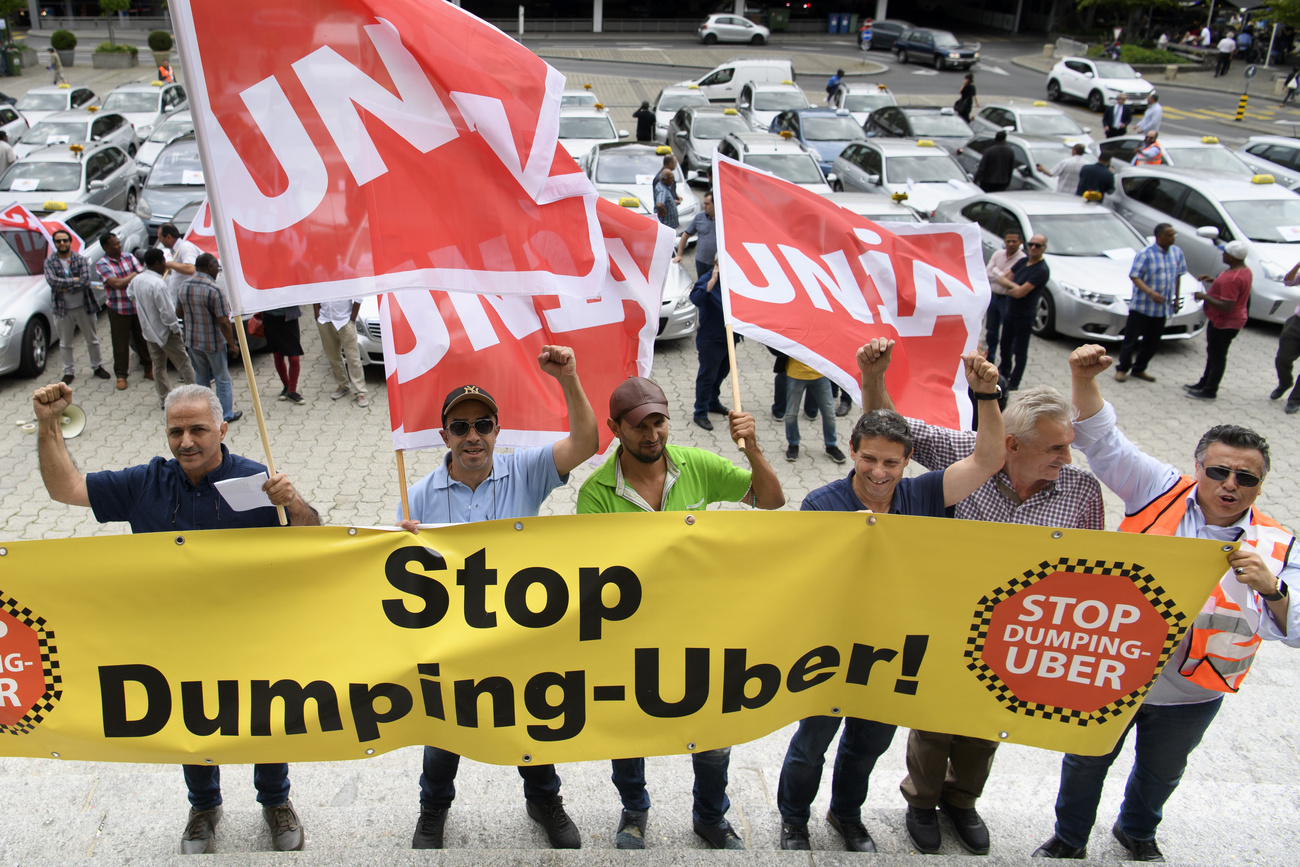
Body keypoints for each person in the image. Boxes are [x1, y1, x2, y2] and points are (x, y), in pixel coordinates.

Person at [1032, 344, 1299, 862]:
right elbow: (1103, 440)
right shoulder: (1158, 488)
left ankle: (1137, 831)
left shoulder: (1280, 545)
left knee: (1162, 770)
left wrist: (1274, 588)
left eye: (1246, 478)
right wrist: (1083, 378)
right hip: (1114, 668)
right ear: (1198, 466)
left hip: (1195, 689)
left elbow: (1294, 628)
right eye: (1220, 471)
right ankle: (1068, 839)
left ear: (1260, 485)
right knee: (1086, 759)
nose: (1230, 485)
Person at [32, 381, 320, 854]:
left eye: (199, 430)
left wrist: (291, 501)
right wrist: (48, 426)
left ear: (223, 429)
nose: (186, 441)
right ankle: (204, 807)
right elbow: (65, 488)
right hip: (177, 639)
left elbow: (313, 538)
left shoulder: (255, 478)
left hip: (251, 634)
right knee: (193, 721)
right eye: (176, 431)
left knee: (265, 718)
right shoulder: (145, 482)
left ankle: (276, 801)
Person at [858, 338, 1105, 856]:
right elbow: (890, 429)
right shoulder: (966, 454)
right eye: (1056, 447)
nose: (1068, 456)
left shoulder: (1082, 491)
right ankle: (921, 803)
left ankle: (963, 800)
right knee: (935, 720)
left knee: (987, 725)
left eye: (1068, 444)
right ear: (1011, 445)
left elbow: (1092, 569)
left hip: (1018, 631)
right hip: (949, 618)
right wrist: (874, 376)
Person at [778, 352, 1006, 856]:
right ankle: (794, 820)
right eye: (868, 458)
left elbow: (990, 459)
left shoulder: (927, 494)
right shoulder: (821, 503)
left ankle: (846, 815)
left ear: (907, 462)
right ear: (852, 450)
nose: (878, 472)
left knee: (867, 747)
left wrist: (985, 396)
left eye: (891, 462)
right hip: (831, 651)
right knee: (811, 744)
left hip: (893, 654)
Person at [399, 349, 598, 851]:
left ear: (496, 430)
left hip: (518, 634)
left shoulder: (526, 470)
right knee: (444, 731)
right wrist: (400, 544)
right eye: (460, 427)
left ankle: (545, 800)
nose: (472, 437)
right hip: (454, 641)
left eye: (483, 425)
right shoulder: (419, 495)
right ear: (444, 435)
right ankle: (433, 809)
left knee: (530, 723)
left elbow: (586, 442)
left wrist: (569, 379)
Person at [577, 376, 783, 850]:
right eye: (639, 427)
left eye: (659, 422)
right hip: (632, 637)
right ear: (614, 428)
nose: (652, 435)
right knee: (627, 732)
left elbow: (771, 500)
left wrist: (752, 449)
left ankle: (711, 817)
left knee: (713, 732)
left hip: (700, 632)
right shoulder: (594, 495)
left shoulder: (699, 465)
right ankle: (634, 811)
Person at [1115, 222, 1185, 384]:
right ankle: (1122, 369)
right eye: (1169, 235)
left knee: (1152, 342)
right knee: (1130, 340)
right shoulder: (1146, 254)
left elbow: (1178, 275)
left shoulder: (1177, 253)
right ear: (1159, 236)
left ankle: (1139, 368)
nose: (1173, 238)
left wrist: (1176, 298)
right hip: (1141, 306)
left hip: (1161, 309)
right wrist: (1150, 292)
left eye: (1174, 234)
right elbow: (1135, 276)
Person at [179, 253, 242, 423]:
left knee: (201, 377)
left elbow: (179, 312)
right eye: (216, 267)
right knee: (222, 378)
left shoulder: (184, 286)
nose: (217, 271)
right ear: (210, 267)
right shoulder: (214, 290)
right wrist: (232, 344)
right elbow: (223, 322)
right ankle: (225, 414)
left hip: (192, 341)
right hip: (213, 343)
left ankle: (203, 413)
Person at [129, 248, 196, 406]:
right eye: (164, 262)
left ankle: (164, 399)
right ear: (158, 263)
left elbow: (130, 295)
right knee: (184, 363)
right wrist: (176, 330)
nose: (166, 266)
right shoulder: (158, 284)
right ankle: (195, 397)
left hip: (149, 332)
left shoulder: (137, 280)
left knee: (158, 366)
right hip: (165, 332)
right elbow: (168, 313)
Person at [1187, 240, 1252, 401]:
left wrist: (1204, 297)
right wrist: (1214, 280)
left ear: (1233, 257)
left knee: (1217, 356)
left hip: (1225, 323)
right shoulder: (1243, 270)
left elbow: (1227, 306)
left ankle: (1210, 390)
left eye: (1226, 253)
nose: (1223, 255)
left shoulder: (1233, 278)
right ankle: (1204, 382)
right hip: (1224, 321)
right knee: (1213, 353)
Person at [44, 228, 111, 386]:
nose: (62, 243)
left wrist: (65, 285)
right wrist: (74, 281)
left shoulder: (80, 259)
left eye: (65, 240)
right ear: (55, 244)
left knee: (92, 339)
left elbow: (85, 281)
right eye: (58, 241)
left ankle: (97, 366)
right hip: (62, 310)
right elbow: (52, 282)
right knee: (65, 342)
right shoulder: (50, 262)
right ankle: (68, 371)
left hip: (84, 307)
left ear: (69, 242)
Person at [94, 233, 154, 390]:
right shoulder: (102, 264)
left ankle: (148, 368)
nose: (118, 246)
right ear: (106, 247)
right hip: (118, 309)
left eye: (119, 243)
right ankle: (121, 375)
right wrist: (133, 275)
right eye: (114, 244)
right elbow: (116, 284)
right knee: (120, 343)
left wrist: (132, 276)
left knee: (142, 338)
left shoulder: (128, 257)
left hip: (136, 306)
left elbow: (143, 275)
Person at [994, 233, 1050, 390]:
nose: (1033, 248)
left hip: (1024, 315)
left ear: (1043, 248)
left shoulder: (1041, 270)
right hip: (1010, 311)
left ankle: (1014, 381)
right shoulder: (1023, 261)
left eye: (1037, 245)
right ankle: (1003, 373)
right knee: (1004, 345)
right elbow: (1003, 278)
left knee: (1020, 350)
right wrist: (1013, 288)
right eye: (1031, 244)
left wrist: (1011, 288)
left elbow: (1020, 292)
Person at [688, 259, 736, 432]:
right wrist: (712, 280)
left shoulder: (734, 280)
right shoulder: (709, 279)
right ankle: (700, 412)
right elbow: (696, 298)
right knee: (707, 376)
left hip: (730, 339)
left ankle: (713, 402)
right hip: (711, 340)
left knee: (722, 372)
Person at [782, 352, 846, 465]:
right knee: (791, 414)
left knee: (829, 413)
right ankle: (793, 445)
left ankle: (831, 446)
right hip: (796, 374)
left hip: (821, 374)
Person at [314, 298, 369, 407]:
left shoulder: (345, 279)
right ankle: (343, 385)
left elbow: (358, 297)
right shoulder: (320, 279)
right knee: (332, 356)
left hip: (344, 320)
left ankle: (360, 391)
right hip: (325, 320)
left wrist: (352, 319)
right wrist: (317, 315)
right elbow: (315, 295)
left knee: (353, 358)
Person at [984, 231, 1026, 365]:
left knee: (1008, 335)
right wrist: (1002, 277)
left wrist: (996, 272)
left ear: (1020, 242)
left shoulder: (1022, 259)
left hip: (1008, 300)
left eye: (1014, 241)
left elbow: (1015, 282)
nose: (1011, 244)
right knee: (991, 331)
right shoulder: (998, 254)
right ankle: (989, 359)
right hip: (994, 297)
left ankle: (1005, 363)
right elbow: (987, 273)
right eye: (1008, 241)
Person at [1271, 261, 1300, 412]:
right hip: (1297, 323)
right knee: (1283, 358)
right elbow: (1288, 281)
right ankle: (1285, 382)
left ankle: (1295, 399)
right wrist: (1297, 266)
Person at [261, 306, 305, 404]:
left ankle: (292, 391)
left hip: (289, 319)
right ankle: (286, 386)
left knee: (294, 357)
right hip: (270, 318)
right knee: (277, 355)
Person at [674, 189, 716, 280]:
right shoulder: (699, 218)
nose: (704, 206)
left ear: (715, 204)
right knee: (702, 287)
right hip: (702, 262)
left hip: (718, 264)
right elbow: (685, 235)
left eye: (707, 204)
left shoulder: (722, 220)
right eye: (704, 203)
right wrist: (679, 255)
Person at [159, 223, 202, 302]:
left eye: (160, 238)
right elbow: (180, 271)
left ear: (168, 237)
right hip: (178, 300)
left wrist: (170, 264)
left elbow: (191, 269)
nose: (160, 241)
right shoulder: (175, 250)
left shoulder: (185, 247)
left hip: (188, 299)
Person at [652, 158, 680, 230]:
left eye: (673, 178)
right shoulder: (662, 190)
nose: (672, 180)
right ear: (664, 179)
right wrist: (663, 211)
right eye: (670, 178)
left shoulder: (665, 186)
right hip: (667, 225)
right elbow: (659, 204)